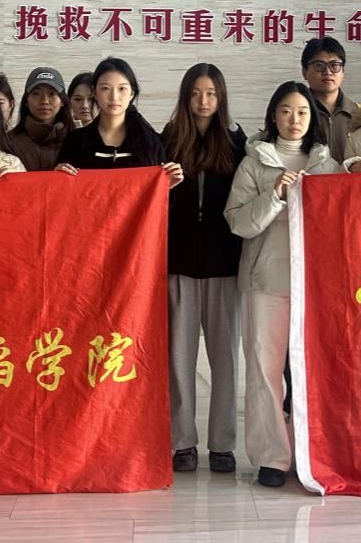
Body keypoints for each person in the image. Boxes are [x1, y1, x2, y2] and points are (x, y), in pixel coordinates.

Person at [225, 81, 339, 489]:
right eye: (286, 111)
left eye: (303, 112)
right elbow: (238, 222)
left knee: (313, 372)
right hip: (266, 282)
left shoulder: (327, 165)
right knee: (265, 372)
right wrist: (275, 194)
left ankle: (309, 451)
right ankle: (272, 457)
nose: (295, 120)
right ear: (273, 116)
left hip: (315, 285)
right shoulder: (254, 163)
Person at [161, 64, 246, 475]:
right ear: (185, 96)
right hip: (178, 263)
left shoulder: (237, 142)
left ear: (221, 97)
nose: (203, 101)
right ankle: (182, 443)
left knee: (225, 359)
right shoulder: (166, 140)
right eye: (195, 93)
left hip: (224, 264)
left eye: (211, 93)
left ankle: (223, 445)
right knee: (179, 360)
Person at [54, 57, 182, 186]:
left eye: (122, 89)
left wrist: (167, 184)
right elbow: (63, 193)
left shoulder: (150, 141)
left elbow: (156, 194)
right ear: (94, 93)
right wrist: (57, 176)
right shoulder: (75, 141)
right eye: (105, 88)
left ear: (132, 94)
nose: (114, 97)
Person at [299, 38, 356, 163]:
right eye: (319, 65)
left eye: (334, 65)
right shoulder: (295, 113)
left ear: (343, 71)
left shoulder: (358, 114)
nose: (328, 72)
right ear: (304, 72)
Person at [5, 67, 73, 171]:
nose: (44, 101)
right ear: (26, 101)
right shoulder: (8, 142)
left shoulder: (77, 140)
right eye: (36, 93)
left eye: (52, 94)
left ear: (62, 101)